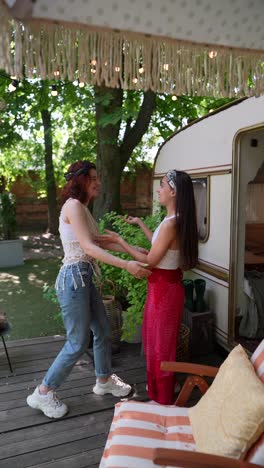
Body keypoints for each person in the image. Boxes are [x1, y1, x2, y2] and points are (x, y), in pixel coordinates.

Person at [26, 160, 150, 419]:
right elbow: (91, 249)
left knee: (103, 331)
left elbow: (101, 242)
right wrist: (127, 264)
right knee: (77, 341)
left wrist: (134, 251)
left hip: (84, 277)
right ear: (79, 180)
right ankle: (43, 391)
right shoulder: (73, 206)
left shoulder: (82, 209)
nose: (98, 182)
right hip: (73, 279)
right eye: (93, 177)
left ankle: (104, 380)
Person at [99, 170, 198, 404]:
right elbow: (158, 244)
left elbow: (150, 260)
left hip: (163, 290)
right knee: (159, 340)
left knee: (159, 344)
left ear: (173, 192)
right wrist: (140, 224)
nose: (158, 189)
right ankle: (166, 384)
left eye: (162, 185)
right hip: (166, 287)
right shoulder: (175, 219)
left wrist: (121, 242)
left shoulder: (171, 224)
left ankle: (162, 397)